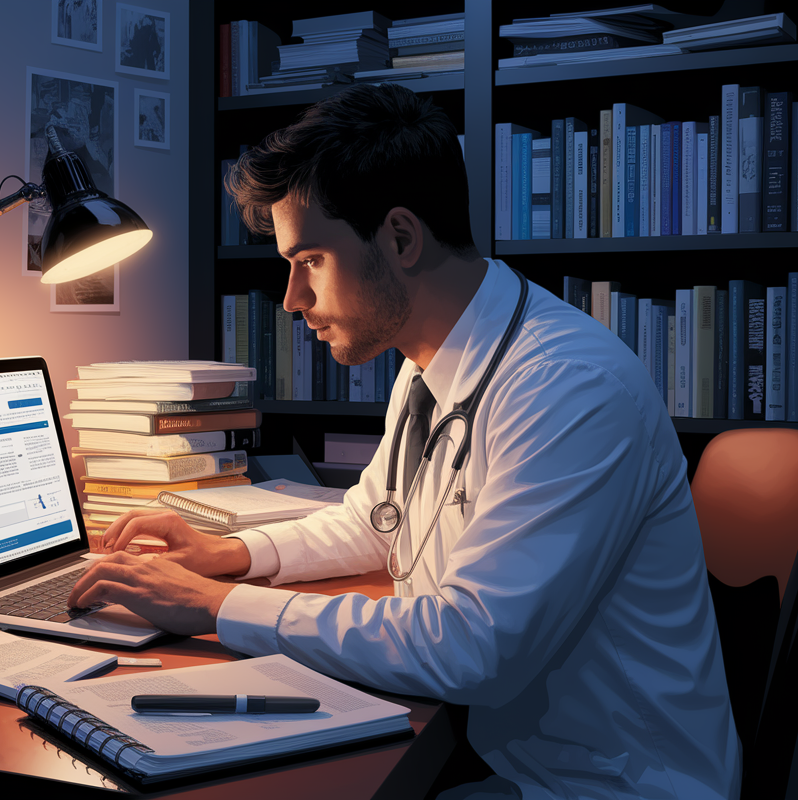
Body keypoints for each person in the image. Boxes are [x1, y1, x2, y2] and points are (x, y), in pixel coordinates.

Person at [68, 83, 741, 799]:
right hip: (517, 758)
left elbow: (472, 647)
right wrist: (231, 555)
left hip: (609, 784)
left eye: (310, 261)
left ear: (400, 238)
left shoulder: (565, 388)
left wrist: (214, 605)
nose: (293, 299)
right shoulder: (432, 365)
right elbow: (374, 520)